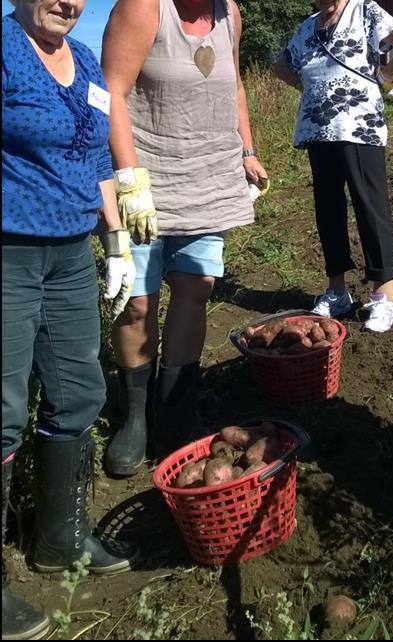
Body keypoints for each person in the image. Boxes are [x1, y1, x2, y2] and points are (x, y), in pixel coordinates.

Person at [2, 1, 140, 638]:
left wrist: (115, 241)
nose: (67, 1)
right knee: (2, 408)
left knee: (79, 389)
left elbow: (94, 160)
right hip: (9, 251)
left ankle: (62, 539)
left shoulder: (83, 60)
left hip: (70, 253)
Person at [100, 0, 268, 477]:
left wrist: (248, 150)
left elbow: (233, 85)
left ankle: (175, 406)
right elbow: (113, 92)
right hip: (148, 181)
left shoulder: (229, 13)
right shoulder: (143, 8)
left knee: (196, 288)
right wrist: (129, 181)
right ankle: (136, 414)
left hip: (207, 176)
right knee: (137, 300)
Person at [273, 0, 393, 333]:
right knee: (328, 209)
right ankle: (337, 291)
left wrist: (385, 76)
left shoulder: (364, 10)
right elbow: (281, 66)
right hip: (318, 128)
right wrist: (313, 89)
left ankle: (386, 296)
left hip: (359, 127)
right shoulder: (307, 26)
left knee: (370, 206)